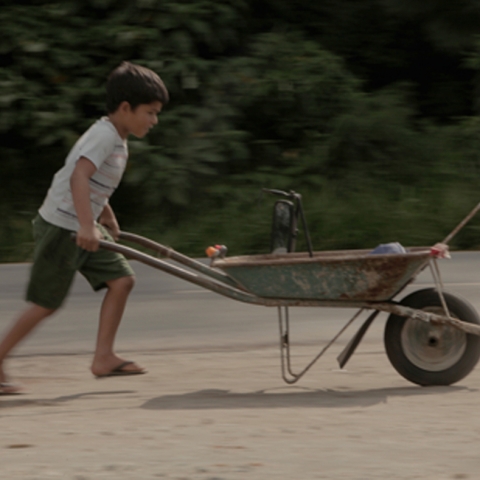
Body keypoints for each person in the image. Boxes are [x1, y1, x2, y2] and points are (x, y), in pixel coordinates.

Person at [0, 62, 169, 394]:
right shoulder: (104, 136)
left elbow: (92, 183)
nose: (154, 121)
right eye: (150, 113)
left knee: (122, 280)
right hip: (63, 226)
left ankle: (103, 357)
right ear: (125, 108)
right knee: (45, 303)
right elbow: (79, 175)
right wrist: (85, 225)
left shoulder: (117, 137)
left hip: (81, 221)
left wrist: (105, 214)